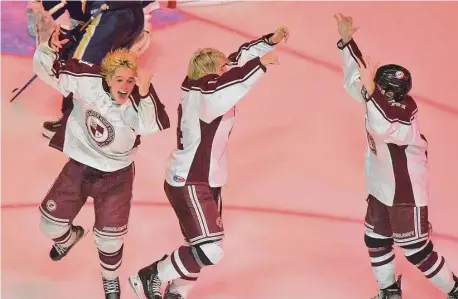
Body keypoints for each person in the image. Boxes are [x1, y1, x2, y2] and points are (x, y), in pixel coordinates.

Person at [128, 26, 289, 299]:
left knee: (198, 245)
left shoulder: (202, 87)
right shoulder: (206, 92)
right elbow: (236, 78)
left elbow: (238, 60)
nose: (229, 68)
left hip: (206, 179)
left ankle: (176, 292)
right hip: (191, 180)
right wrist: (260, 65)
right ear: (211, 71)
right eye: (223, 66)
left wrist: (267, 42)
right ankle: (152, 274)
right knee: (209, 249)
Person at [33, 28, 170, 299]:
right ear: (106, 78)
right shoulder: (86, 81)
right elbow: (50, 70)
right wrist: (49, 47)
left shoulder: (136, 99)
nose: (125, 86)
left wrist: (144, 90)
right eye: (120, 79)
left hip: (116, 177)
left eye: (131, 80)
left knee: (110, 240)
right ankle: (68, 238)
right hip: (80, 166)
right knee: (49, 225)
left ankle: (110, 280)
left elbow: (151, 124)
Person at [334, 13, 458, 299]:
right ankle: (388, 290)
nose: (371, 86)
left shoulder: (404, 113)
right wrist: (347, 41)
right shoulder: (380, 98)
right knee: (375, 239)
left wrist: (369, 90)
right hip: (381, 188)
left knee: (416, 250)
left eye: (378, 85)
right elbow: (357, 79)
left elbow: (384, 125)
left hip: (406, 193)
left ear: (389, 92)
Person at [37, 1, 152, 139]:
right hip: (125, 14)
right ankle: (99, 125)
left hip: (108, 16)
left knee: (79, 69)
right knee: (103, 69)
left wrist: (65, 28)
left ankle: (76, 126)